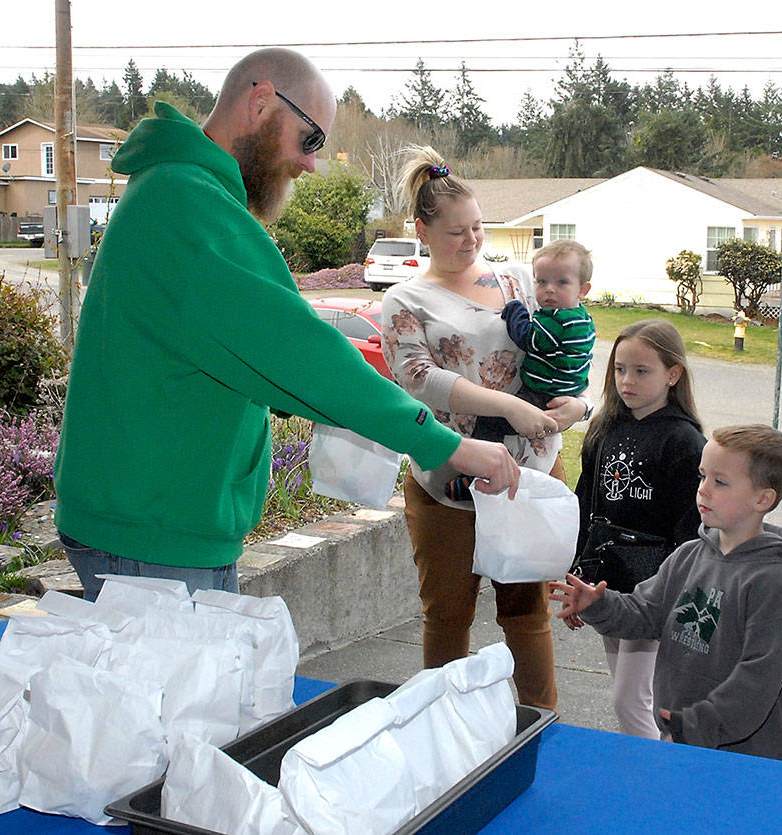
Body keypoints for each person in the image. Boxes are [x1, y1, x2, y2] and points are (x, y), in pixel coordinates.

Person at [53, 49, 519, 601]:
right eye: (309, 139)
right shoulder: (189, 206)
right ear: (261, 102)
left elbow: (252, 351)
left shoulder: (178, 192)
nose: (310, 164)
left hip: (153, 521)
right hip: (150, 535)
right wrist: (444, 445)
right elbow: (304, 356)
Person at [381, 145, 590, 711]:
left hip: (529, 475)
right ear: (422, 231)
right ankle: (442, 728)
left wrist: (576, 404)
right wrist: (507, 407)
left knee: (528, 613)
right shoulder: (405, 298)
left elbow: (566, 347)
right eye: (456, 232)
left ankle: (541, 724)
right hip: (448, 481)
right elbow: (417, 377)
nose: (471, 240)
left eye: (477, 227)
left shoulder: (518, 279)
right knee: (448, 617)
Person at [553, 425, 782, 759]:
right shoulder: (689, 556)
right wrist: (598, 604)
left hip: (746, 757)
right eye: (703, 476)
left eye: (720, 482)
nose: (703, 490)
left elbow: (757, 681)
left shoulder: (776, 587)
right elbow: (645, 612)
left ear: (762, 499)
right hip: (682, 736)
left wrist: (695, 726)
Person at [568, 319, 706, 738]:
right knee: (633, 696)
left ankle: (656, 769)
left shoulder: (685, 442)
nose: (627, 381)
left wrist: (675, 594)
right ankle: (655, 760)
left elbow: (692, 528)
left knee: (631, 700)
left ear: (673, 374)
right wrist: (577, 579)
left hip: (654, 590)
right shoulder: (605, 428)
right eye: (619, 369)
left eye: (642, 371)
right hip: (608, 582)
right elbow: (585, 506)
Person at [444, 238, 596, 501]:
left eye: (562, 282)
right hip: (565, 393)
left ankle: (476, 477)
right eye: (542, 282)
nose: (549, 290)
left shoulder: (557, 319)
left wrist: (515, 311)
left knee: (489, 421)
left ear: (583, 289)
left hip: (542, 395)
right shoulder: (583, 318)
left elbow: (527, 338)